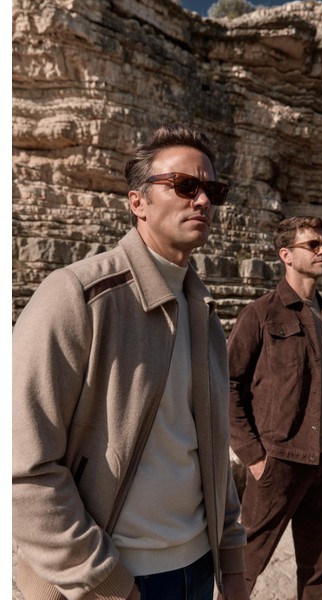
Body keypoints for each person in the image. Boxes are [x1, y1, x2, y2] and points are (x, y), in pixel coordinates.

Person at [12, 123, 250, 600]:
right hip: (107, 580)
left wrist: (232, 563)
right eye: (185, 185)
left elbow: (211, 447)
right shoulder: (79, 296)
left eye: (213, 190)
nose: (203, 200)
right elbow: (22, 464)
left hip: (198, 571)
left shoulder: (203, 310)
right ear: (137, 202)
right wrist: (105, 582)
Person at [228, 215, 322, 599]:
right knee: (243, 566)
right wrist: (254, 457)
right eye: (312, 245)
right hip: (278, 463)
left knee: (318, 572)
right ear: (286, 255)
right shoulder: (260, 314)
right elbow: (227, 385)